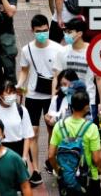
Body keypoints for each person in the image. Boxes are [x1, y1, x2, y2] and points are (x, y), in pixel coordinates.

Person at [17, 14, 61, 185]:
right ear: (32, 31)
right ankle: (35, 170)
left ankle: (50, 160)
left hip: (52, 96)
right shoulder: (26, 50)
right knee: (33, 132)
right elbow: (24, 71)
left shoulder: (58, 49)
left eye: (45, 30)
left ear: (48, 29)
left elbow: (58, 75)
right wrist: (19, 84)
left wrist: (55, 99)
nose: (42, 34)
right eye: (38, 31)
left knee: (52, 131)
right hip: (33, 95)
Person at [48, 90, 101, 196]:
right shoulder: (92, 128)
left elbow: (50, 156)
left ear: (71, 106)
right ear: (87, 107)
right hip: (89, 178)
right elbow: (96, 158)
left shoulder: (59, 126)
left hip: (66, 178)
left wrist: (59, 171)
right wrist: (100, 168)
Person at [0, 80, 33, 163]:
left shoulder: (22, 110)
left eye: (13, 92)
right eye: (8, 93)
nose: (12, 95)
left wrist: (24, 157)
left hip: (18, 150)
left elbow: (27, 136)